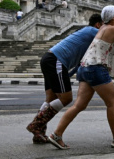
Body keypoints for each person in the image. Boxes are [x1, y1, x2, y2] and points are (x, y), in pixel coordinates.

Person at [48, 5, 114, 150]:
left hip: (84, 68)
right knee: (112, 103)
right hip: (96, 68)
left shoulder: (103, 29)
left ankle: (56, 134)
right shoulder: (113, 29)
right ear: (112, 17)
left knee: (79, 105)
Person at [26, 14, 104, 144]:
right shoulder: (93, 31)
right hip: (56, 61)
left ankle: (38, 132)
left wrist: (67, 75)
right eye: (104, 26)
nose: (105, 30)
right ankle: (36, 124)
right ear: (98, 25)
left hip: (49, 59)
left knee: (51, 99)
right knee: (66, 98)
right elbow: (111, 41)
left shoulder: (87, 34)